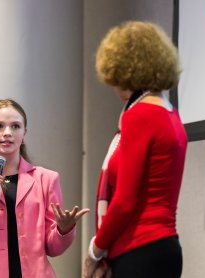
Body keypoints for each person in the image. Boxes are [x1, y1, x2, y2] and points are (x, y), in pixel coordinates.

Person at [83, 21, 187, 278]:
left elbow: (125, 202)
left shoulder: (138, 116)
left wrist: (95, 251)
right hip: (166, 248)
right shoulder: (170, 114)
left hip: (138, 249)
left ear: (125, 69)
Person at [0, 99, 89, 278]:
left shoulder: (46, 179)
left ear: (24, 133)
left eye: (15, 126)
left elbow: (53, 248)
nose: (7, 133)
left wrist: (63, 230)